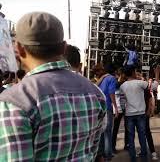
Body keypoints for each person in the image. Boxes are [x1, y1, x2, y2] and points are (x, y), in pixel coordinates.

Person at [0, 12, 107, 161]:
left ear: (19, 49)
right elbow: (93, 151)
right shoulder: (96, 93)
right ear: (64, 48)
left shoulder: (13, 101)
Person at [120, 66, 149, 162]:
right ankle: (144, 158)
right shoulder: (140, 83)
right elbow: (151, 85)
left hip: (129, 114)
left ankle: (133, 158)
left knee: (130, 138)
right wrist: (140, 77)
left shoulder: (123, 86)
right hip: (141, 113)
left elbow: (122, 101)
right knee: (142, 136)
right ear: (133, 73)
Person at [97, 64, 119, 161]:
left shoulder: (102, 79)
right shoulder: (112, 79)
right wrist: (116, 107)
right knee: (108, 132)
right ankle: (108, 155)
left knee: (101, 131)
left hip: (99, 106)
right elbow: (111, 93)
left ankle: (102, 154)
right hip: (107, 107)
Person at [112, 68, 129, 153]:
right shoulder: (114, 83)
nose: (123, 77)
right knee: (115, 129)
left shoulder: (124, 83)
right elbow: (115, 87)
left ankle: (127, 145)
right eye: (121, 75)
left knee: (127, 128)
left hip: (125, 108)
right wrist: (119, 79)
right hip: (117, 109)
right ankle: (112, 147)